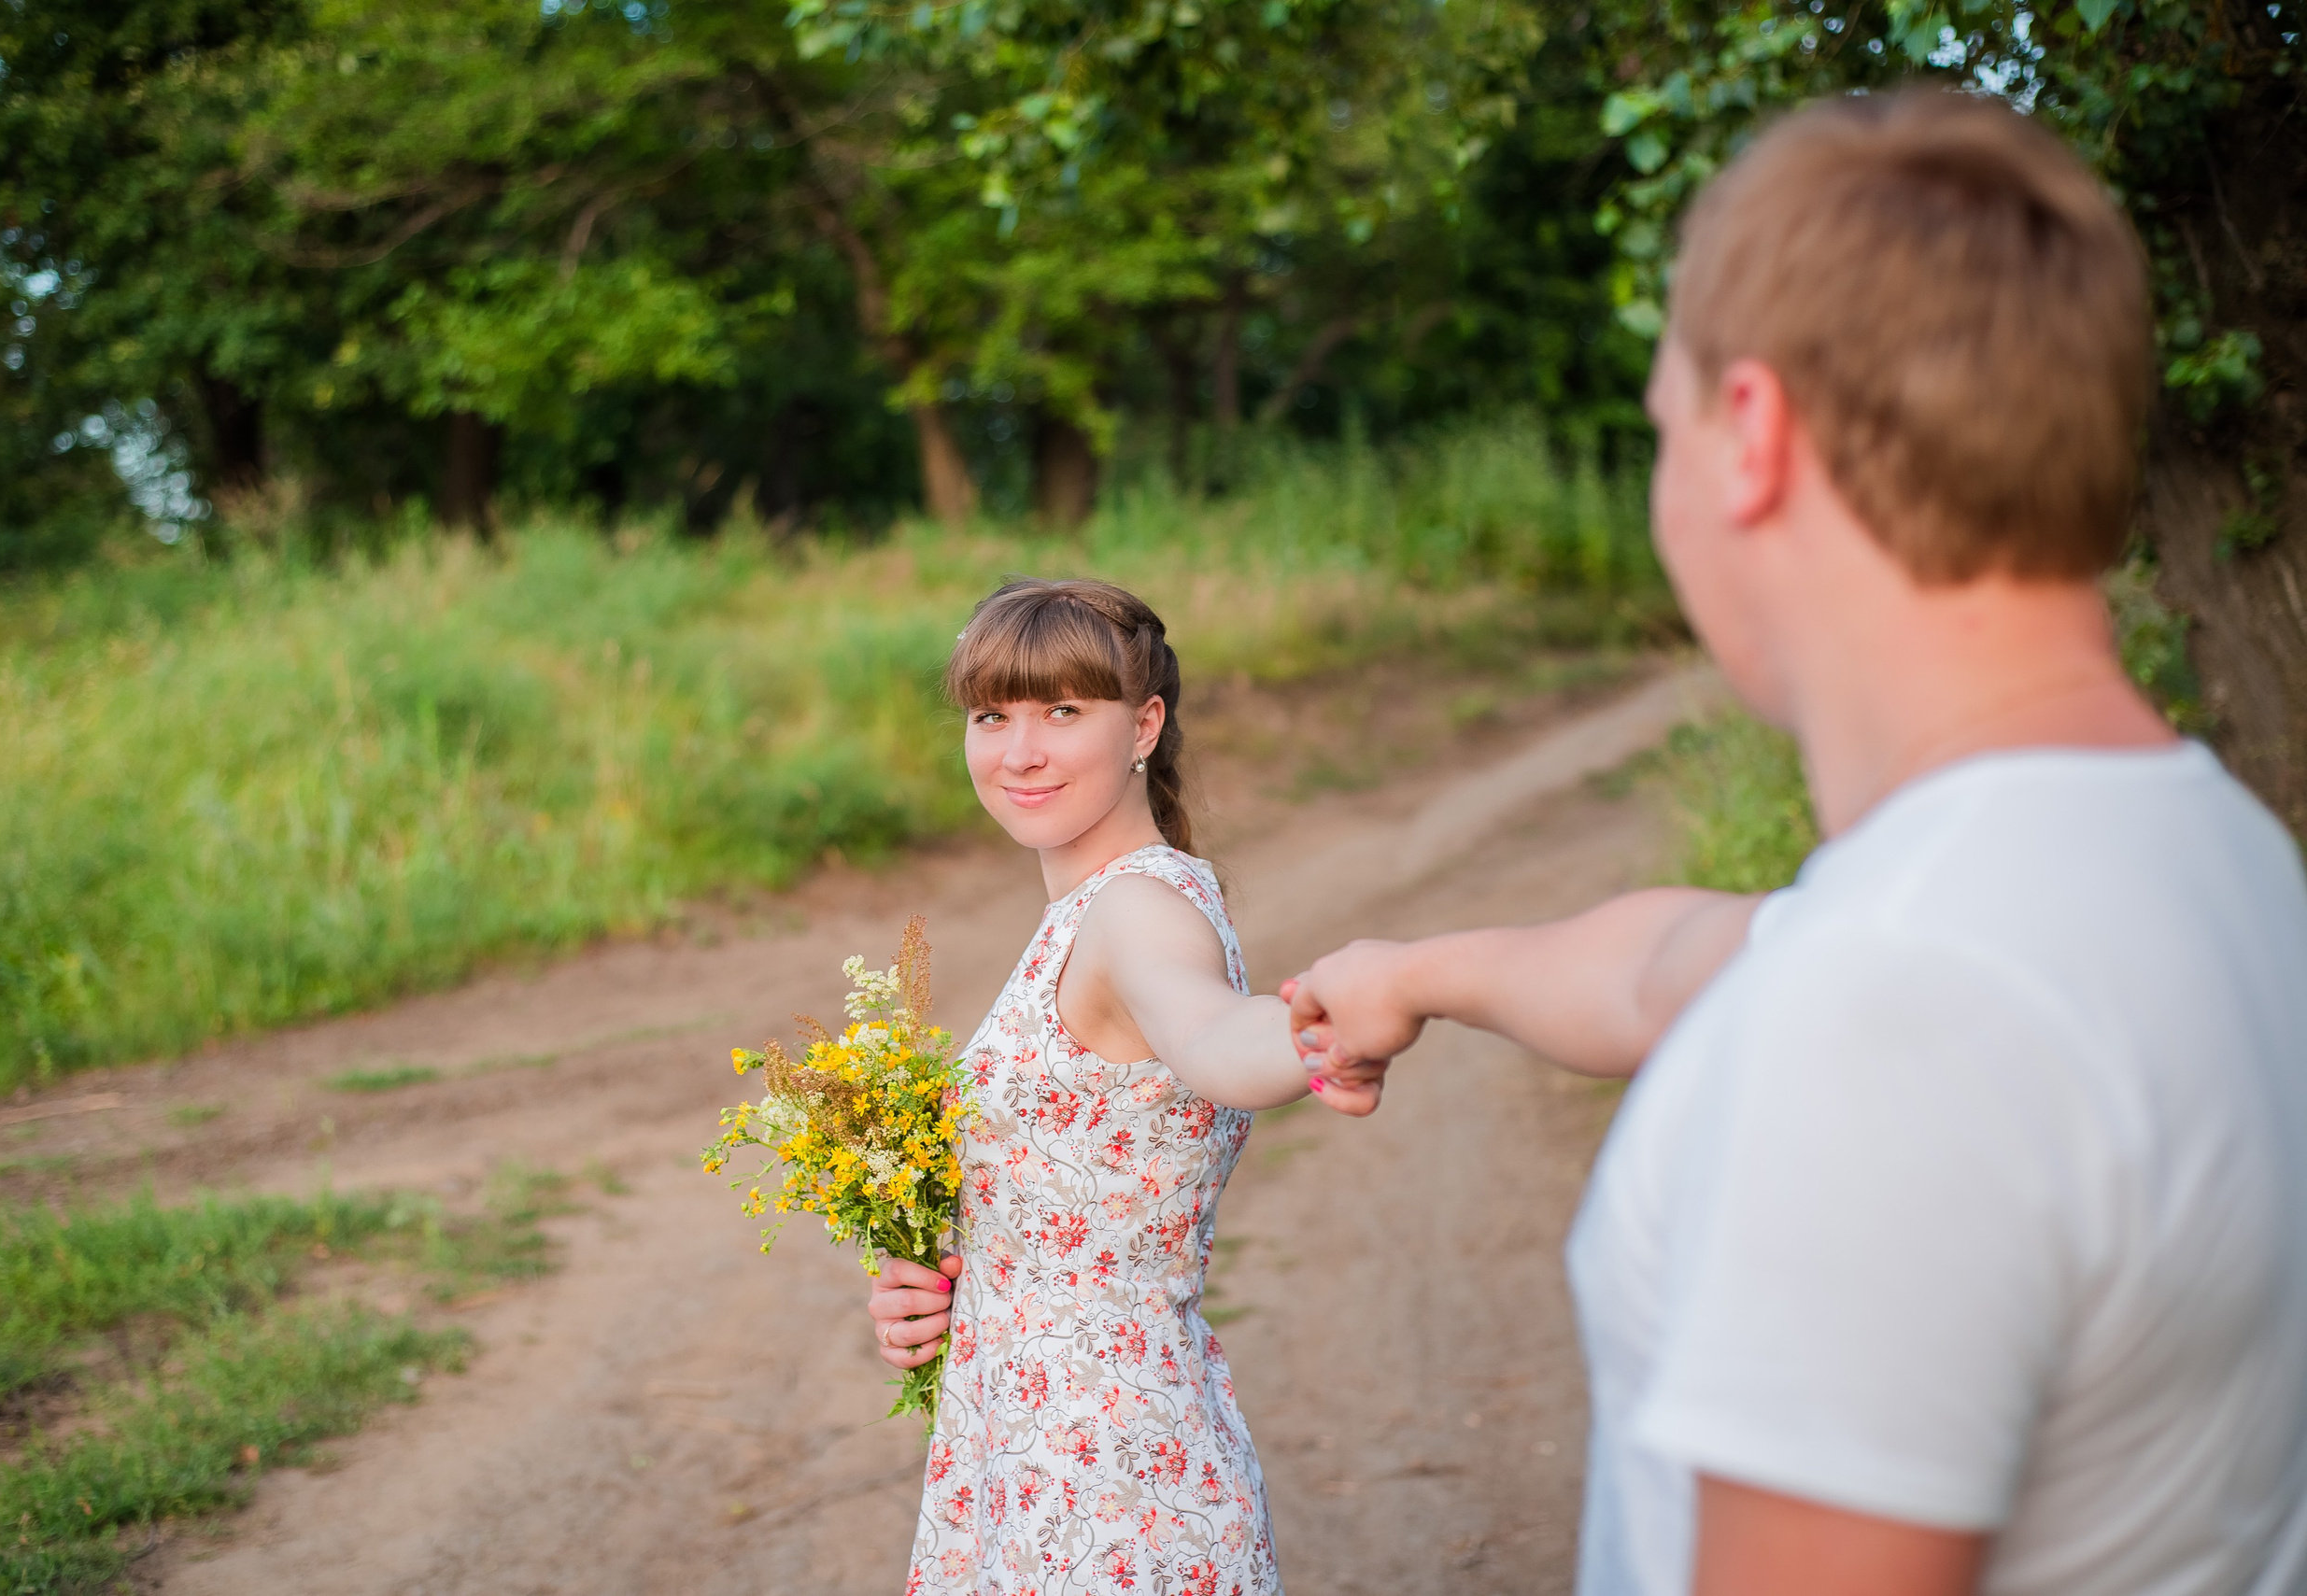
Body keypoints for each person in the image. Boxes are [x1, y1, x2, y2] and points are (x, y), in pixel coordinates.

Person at [1283, 91, 2307, 1596]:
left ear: (1750, 435)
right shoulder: (2202, 851)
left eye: (1663, 431)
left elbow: (1830, 996)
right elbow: (1685, 964)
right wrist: (1418, 971)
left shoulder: (1891, 1013)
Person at [868, 578, 1362, 1596]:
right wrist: (940, 1277)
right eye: (990, 715)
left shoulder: (1138, 907)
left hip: (1108, 1480)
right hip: (1021, 1454)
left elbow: (1211, 1035)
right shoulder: (1090, 906)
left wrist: (1323, 1024)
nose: (1019, 751)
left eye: (1062, 710)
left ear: (1143, 724)